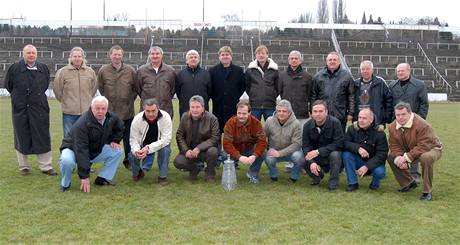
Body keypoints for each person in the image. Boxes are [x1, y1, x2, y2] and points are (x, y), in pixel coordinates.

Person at [4, 44, 57, 176]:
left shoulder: (43, 68)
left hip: (39, 109)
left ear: (36, 54)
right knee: (21, 136)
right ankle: (24, 167)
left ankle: (46, 166)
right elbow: (8, 85)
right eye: (28, 53)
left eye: (33, 53)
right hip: (21, 109)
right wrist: (20, 99)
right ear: (23, 54)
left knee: (43, 136)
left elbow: (43, 86)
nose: (31, 55)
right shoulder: (14, 68)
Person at [59, 96, 124, 193]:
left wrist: (115, 140)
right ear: (91, 108)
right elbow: (81, 149)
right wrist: (84, 176)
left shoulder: (111, 117)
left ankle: (102, 179)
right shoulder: (82, 124)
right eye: (97, 108)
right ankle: (65, 184)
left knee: (117, 151)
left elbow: (120, 126)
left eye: (103, 109)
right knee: (66, 161)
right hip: (72, 149)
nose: (100, 111)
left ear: (107, 109)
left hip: (93, 149)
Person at [387, 102, 442, 201]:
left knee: (426, 158)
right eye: (398, 115)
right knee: (391, 157)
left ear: (409, 113)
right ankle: (408, 183)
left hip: (431, 148)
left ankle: (427, 191)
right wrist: (399, 158)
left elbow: (424, 145)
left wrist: (406, 158)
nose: (400, 117)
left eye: (403, 114)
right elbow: (394, 146)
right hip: (411, 149)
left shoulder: (422, 124)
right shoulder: (392, 127)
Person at [97, 45, 137, 169]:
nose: (117, 57)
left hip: (127, 111)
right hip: (110, 113)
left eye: (119, 54)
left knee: (128, 139)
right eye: (115, 54)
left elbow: (135, 89)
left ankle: (129, 161)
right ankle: (109, 159)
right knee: (109, 138)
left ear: (122, 56)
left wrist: (128, 101)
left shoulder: (130, 70)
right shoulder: (103, 70)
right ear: (110, 55)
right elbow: (101, 88)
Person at [389, 63, 429, 183]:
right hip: (397, 122)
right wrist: (391, 120)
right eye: (398, 71)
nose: (400, 73)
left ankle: (414, 174)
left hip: (414, 123)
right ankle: (404, 174)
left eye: (402, 71)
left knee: (414, 147)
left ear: (409, 71)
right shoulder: (392, 85)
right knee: (398, 147)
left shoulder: (419, 85)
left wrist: (420, 121)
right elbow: (389, 103)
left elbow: (424, 104)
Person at [279, 50, 315, 172]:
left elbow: (311, 95)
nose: (294, 60)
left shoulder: (308, 77)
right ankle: (290, 163)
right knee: (289, 140)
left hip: (302, 114)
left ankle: (303, 163)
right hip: (287, 115)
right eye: (292, 58)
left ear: (300, 61)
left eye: (296, 58)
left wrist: (311, 110)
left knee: (302, 140)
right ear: (288, 60)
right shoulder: (282, 76)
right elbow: (280, 92)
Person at [209, 46, 246, 165]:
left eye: (227, 54)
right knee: (217, 134)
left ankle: (234, 159)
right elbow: (211, 88)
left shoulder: (238, 70)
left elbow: (242, 88)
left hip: (232, 107)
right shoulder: (213, 71)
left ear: (231, 56)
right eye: (222, 54)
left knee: (233, 134)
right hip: (218, 107)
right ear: (219, 56)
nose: (225, 56)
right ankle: (218, 158)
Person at [173, 95, 220, 183]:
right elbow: (179, 135)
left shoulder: (212, 119)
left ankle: (210, 173)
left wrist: (199, 148)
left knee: (213, 151)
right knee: (178, 162)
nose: (195, 110)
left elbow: (215, 138)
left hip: (205, 151)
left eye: (197, 107)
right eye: (192, 107)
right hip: (190, 151)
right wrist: (186, 150)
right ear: (189, 107)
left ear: (203, 108)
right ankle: (194, 169)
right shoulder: (185, 117)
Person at [53, 46, 98, 137]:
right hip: (69, 113)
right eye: (75, 56)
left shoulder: (90, 72)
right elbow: (57, 90)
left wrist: (87, 100)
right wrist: (66, 102)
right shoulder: (62, 72)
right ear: (71, 58)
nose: (77, 59)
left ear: (83, 58)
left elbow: (93, 89)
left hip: (86, 113)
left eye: (79, 56)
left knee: (86, 138)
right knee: (69, 138)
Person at [301, 100, 344, 191]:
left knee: (335, 155)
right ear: (311, 113)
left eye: (321, 111)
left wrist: (318, 151)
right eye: (315, 111)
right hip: (316, 156)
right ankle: (317, 177)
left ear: (326, 112)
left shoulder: (335, 123)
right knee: (302, 158)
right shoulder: (307, 126)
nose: (318, 114)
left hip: (331, 154)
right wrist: (312, 162)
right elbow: (305, 146)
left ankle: (333, 183)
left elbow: (339, 143)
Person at [342, 108, 388, 191]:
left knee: (380, 173)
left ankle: (375, 183)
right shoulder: (352, 129)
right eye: (359, 117)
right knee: (346, 155)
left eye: (364, 118)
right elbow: (345, 143)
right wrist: (358, 148)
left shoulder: (380, 133)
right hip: (359, 159)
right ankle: (353, 183)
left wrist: (367, 166)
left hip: (374, 161)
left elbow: (382, 154)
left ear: (371, 120)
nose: (361, 120)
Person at [223, 100, 267, 184]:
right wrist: (239, 157)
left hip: (249, 149)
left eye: (244, 114)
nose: (241, 116)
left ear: (249, 113)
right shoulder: (230, 123)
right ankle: (231, 172)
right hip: (235, 149)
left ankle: (253, 173)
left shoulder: (256, 123)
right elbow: (226, 144)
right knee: (225, 155)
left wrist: (254, 156)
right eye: (239, 113)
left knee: (263, 152)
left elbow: (262, 141)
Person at [130, 98, 172, 185]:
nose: (151, 114)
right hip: (143, 143)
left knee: (165, 150)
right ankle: (138, 173)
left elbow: (166, 139)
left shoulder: (166, 117)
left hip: (160, 143)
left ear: (158, 108)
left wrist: (149, 148)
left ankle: (162, 177)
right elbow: (133, 139)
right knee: (131, 155)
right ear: (143, 109)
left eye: (153, 110)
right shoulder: (137, 119)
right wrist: (137, 151)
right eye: (148, 111)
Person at [311, 51, 355, 131]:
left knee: (339, 137)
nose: (332, 62)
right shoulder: (318, 76)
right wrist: (312, 110)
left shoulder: (346, 76)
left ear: (339, 62)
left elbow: (351, 95)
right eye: (330, 60)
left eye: (334, 60)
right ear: (326, 62)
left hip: (340, 114)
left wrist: (351, 112)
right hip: (322, 115)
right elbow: (313, 95)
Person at [264, 100, 303, 183]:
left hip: (291, 152)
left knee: (298, 157)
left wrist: (280, 153)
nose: (281, 113)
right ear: (276, 111)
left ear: (289, 113)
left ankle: (294, 177)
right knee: (268, 158)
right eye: (279, 111)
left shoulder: (296, 124)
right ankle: (273, 176)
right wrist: (266, 149)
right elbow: (263, 136)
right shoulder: (269, 121)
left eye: (284, 111)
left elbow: (297, 144)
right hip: (274, 150)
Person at [135, 46, 176, 118]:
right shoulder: (141, 71)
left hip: (165, 111)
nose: (155, 56)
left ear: (161, 55)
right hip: (147, 111)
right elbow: (138, 89)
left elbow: (173, 90)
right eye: (152, 54)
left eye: (157, 54)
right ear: (149, 56)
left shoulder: (170, 71)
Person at [353, 60, 393, 127]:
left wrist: (386, 119)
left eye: (368, 69)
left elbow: (388, 101)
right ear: (360, 70)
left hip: (377, 121)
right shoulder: (355, 84)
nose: (365, 71)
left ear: (372, 70)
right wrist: (354, 118)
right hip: (360, 120)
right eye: (363, 69)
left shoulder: (380, 83)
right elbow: (351, 101)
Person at [245, 45, 279, 121]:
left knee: (271, 128)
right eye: (258, 53)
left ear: (267, 55)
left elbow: (277, 87)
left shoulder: (274, 70)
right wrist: (252, 94)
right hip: (254, 105)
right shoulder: (250, 70)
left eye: (263, 53)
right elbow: (247, 86)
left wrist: (272, 95)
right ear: (256, 55)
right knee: (253, 129)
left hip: (270, 105)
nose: (261, 55)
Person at [175, 49, 212, 117]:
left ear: (199, 60)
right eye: (191, 57)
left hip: (202, 110)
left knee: (203, 127)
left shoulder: (206, 74)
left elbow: (209, 92)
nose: (193, 59)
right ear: (187, 61)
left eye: (195, 57)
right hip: (185, 109)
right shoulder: (180, 74)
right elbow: (178, 92)